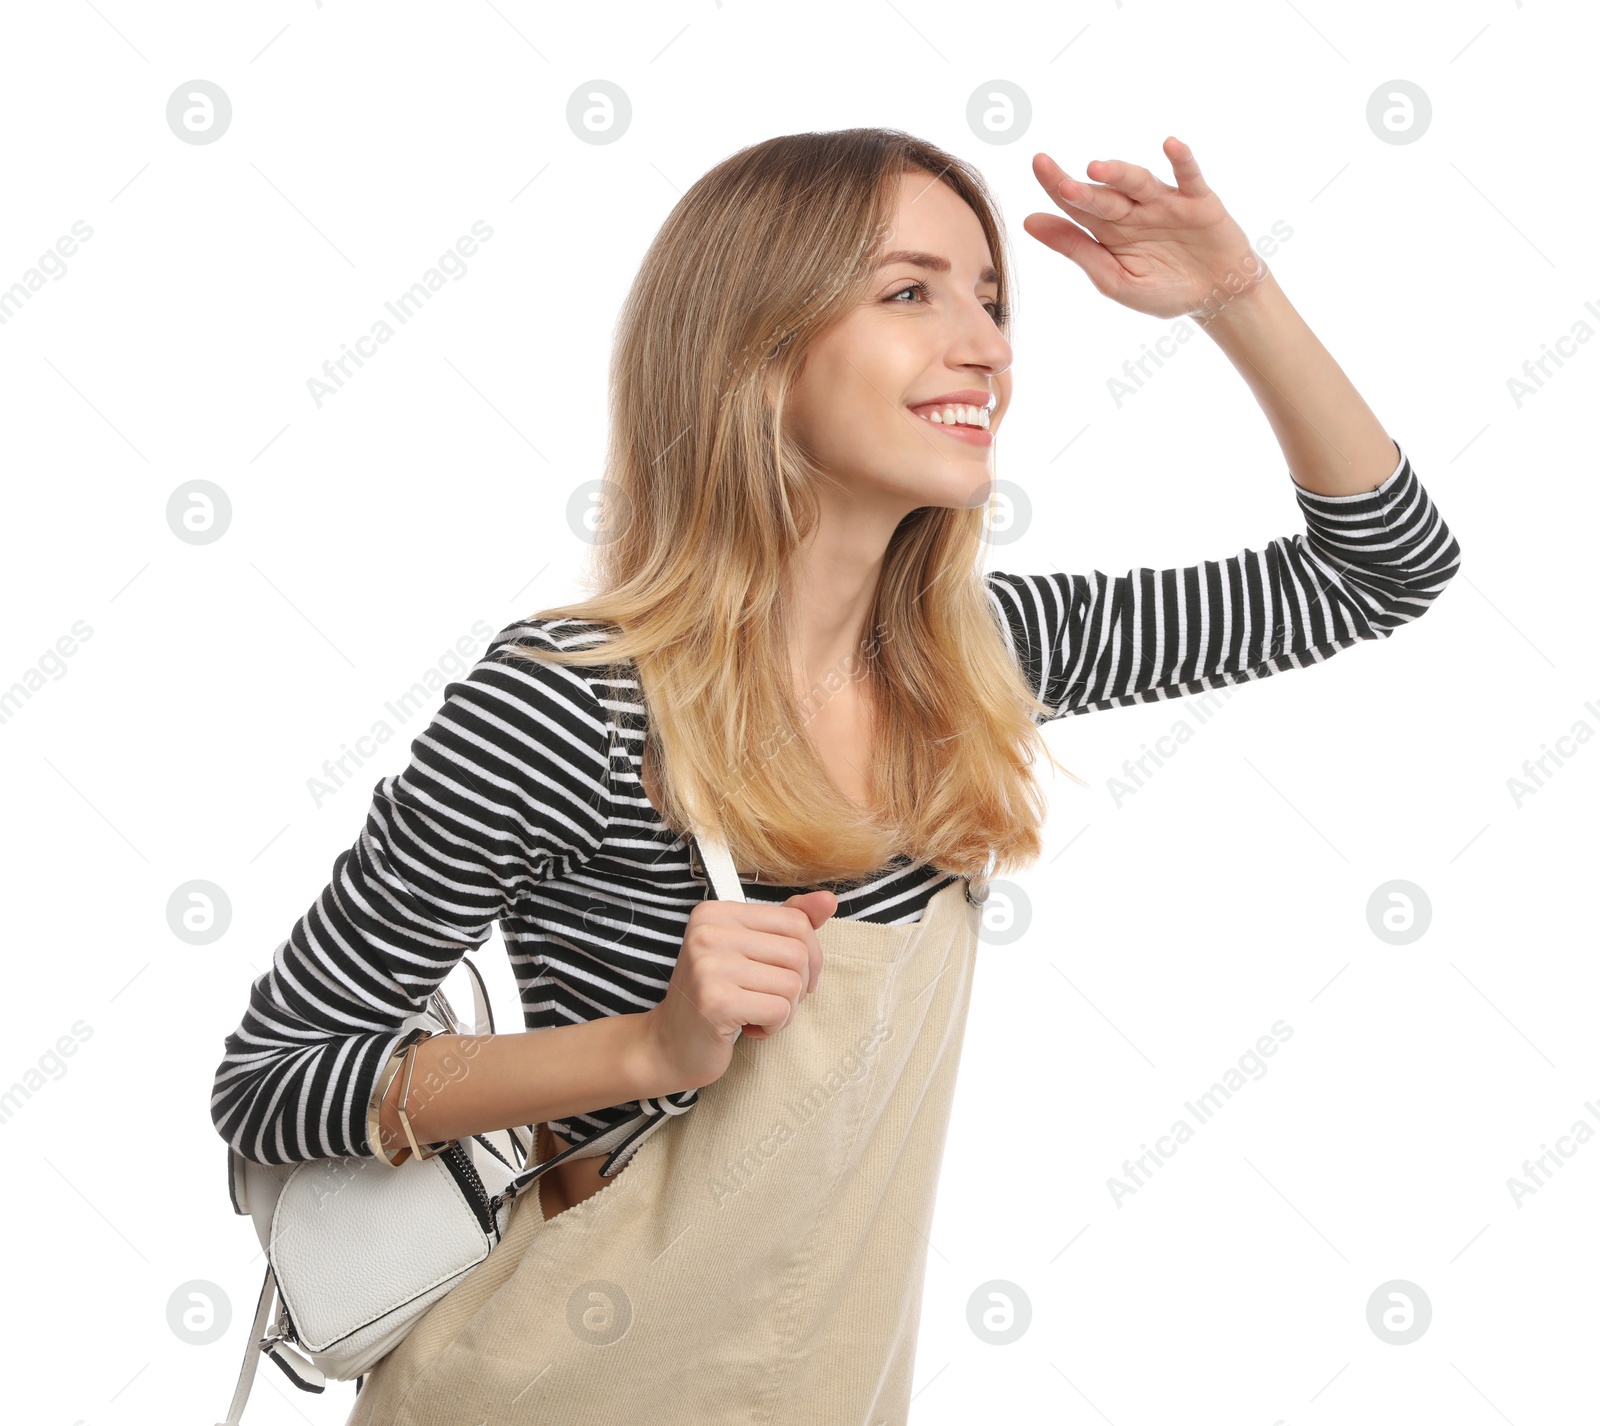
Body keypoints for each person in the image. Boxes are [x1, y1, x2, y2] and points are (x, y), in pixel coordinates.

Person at [210, 127, 1461, 1424]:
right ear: (757, 350)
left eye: (990, 298)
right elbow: (272, 1078)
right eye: (911, 291)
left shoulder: (977, 662)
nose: (984, 343)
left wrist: (1233, 293)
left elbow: (1382, 567)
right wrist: (649, 1045)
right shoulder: (573, 697)